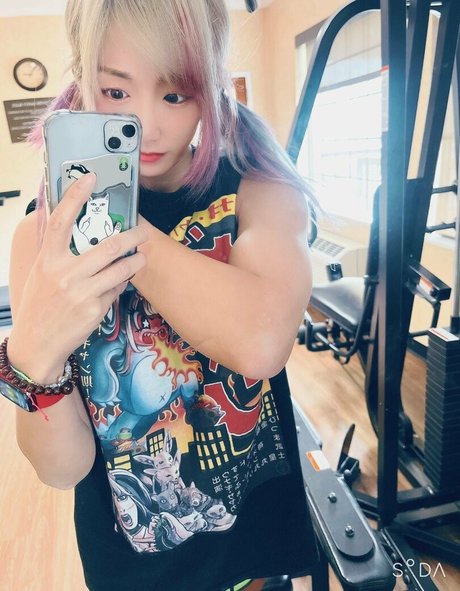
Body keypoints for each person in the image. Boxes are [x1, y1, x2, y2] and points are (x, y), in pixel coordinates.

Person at [4, 1, 318, 589]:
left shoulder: (260, 191)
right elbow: (61, 468)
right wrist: (32, 356)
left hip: (251, 544)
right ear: (82, 79)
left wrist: (118, 226)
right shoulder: (40, 239)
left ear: (210, 88)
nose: (146, 123)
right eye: (115, 92)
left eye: (176, 94)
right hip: (133, 564)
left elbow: (261, 342)